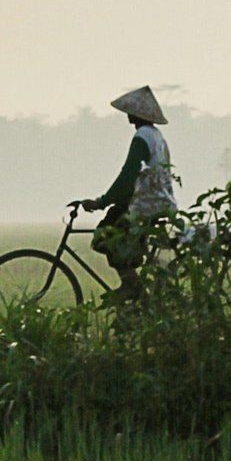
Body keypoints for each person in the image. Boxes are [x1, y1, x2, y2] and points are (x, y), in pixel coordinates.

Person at [80, 85, 176, 304]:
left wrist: (101, 202)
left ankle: (130, 285)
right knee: (118, 220)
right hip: (160, 199)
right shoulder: (156, 136)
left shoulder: (142, 136)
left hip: (147, 204)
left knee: (106, 233)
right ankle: (135, 290)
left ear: (135, 114)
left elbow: (128, 176)